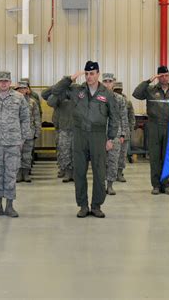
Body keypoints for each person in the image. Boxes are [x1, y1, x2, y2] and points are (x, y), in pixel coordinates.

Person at [52, 61, 119, 218]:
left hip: (98, 135)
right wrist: (69, 78)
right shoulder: (76, 90)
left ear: (98, 74)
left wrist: (111, 138)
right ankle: (83, 205)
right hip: (80, 134)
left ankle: (96, 206)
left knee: (99, 172)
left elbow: (114, 117)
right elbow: (54, 91)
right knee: (80, 172)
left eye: (92, 73)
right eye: (87, 74)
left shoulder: (107, 93)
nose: (89, 77)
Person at [0, 71, 30, 217]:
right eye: (1, 81)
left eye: (6, 81)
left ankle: (9, 205)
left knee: (10, 174)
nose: (3, 83)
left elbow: (25, 119)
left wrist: (23, 139)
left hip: (13, 142)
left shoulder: (19, 98)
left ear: (10, 82)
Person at [132, 65, 169, 195]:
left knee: (166, 156)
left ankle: (165, 185)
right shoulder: (150, 90)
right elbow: (136, 94)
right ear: (158, 76)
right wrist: (149, 80)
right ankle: (155, 185)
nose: (164, 78)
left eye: (166, 75)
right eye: (161, 76)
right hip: (154, 126)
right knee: (154, 157)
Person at [101, 74, 129, 195]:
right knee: (100, 161)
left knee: (113, 160)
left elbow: (124, 117)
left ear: (113, 83)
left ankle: (110, 185)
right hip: (100, 134)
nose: (107, 83)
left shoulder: (119, 99)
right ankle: (100, 185)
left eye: (110, 81)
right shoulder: (97, 97)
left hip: (115, 134)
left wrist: (123, 134)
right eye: (105, 81)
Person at [15, 81, 41, 183]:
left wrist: (37, 131)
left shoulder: (32, 102)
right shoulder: (13, 102)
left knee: (27, 155)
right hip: (16, 133)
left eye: (24, 89)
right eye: (19, 89)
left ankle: (25, 174)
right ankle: (18, 174)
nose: (22, 91)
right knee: (16, 154)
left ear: (27, 90)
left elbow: (37, 117)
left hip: (29, 133)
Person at [113, 81, 135, 182]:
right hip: (113, 133)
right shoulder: (110, 100)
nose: (118, 91)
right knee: (112, 155)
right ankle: (111, 174)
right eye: (116, 90)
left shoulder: (127, 102)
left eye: (119, 89)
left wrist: (129, 130)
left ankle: (119, 172)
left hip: (124, 132)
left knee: (122, 154)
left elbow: (131, 117)